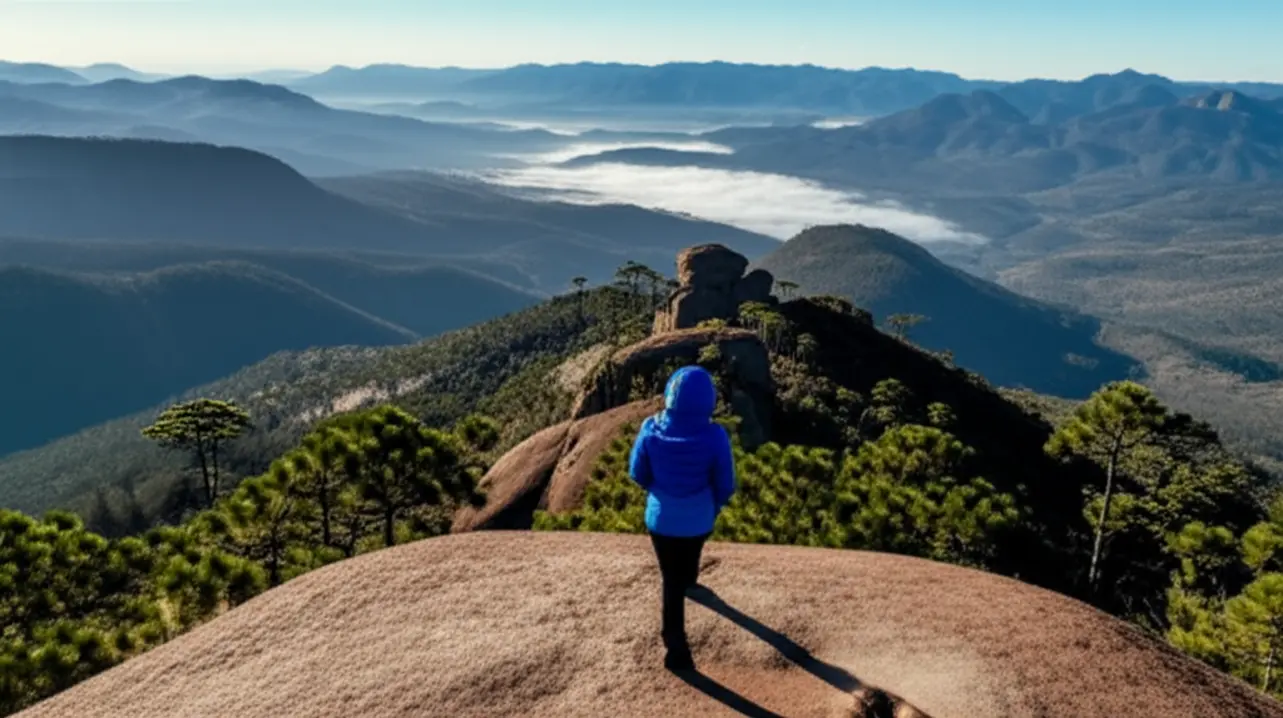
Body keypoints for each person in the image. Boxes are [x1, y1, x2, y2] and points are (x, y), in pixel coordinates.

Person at [628, 364, 737, 672]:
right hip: (700, 519)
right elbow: (726, 484)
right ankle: (689, 586)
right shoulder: (715, 436)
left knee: (669, 579)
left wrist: (661, 491)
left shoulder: (651, 428)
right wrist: (712, 504)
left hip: (661, 519)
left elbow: (637, 472)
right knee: (688, 557)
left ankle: (675, 645)